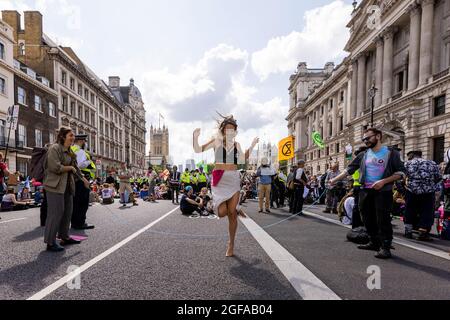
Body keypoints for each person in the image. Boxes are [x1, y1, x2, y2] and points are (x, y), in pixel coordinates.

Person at [330, 128, 406, 259]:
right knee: (366, 217)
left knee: (382, 219)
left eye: (368, 138)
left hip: (383, 191)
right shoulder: (363, 154)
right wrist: (334, 179)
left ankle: (385, 247)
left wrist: (384, 181)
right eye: (364, 139)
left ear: (378, 136)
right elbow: (349, 169)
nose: (365, 141)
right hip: (365, 190)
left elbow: (401, 173)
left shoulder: (391, 153)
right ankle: (373, 242)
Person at [193, 114, 258, 257]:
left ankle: (231, 243)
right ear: (223, 130)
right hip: (219, 181)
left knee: (232, 214)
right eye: (227, 128)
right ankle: (220, 205)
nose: (230, 131)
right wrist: (195, 137)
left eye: (232, 129)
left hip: (233, 179)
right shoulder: (216, 142)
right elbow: (198, 150)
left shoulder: (236, 145)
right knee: (222, 212)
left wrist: (252, 146)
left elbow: (242, 158)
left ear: (235, 131)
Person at [43, 127, 90, 252]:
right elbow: (55, 167)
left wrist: (84, 179)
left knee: (67, 212)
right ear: (63, 136)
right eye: (71, 135)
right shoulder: (55, 148)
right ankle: (50, 242)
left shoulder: (69, 151)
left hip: (67, 186)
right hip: (54, 186)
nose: (73, 138)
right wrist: (70, 168)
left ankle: (64, 236)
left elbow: (76, 168)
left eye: (73, 136)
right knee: (56, 213)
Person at [404, 151, 442, 241]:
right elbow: (438, 177)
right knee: (427, 211)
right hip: (428, 192)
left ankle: (408, 232)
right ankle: (423, 233)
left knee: (409, 210)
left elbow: (401, 177)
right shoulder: (432, 163)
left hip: (411, 191)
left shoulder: (408, 163)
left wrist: (405, 188)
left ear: (411, 156)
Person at [70, 135, 95, 230]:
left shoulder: (71, 149)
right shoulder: (80, 151)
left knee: (76, 201)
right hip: (82, 178)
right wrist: (88, 162)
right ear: (81, 141)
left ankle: (75, 222)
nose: (85, 143)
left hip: (75, 178)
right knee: (82, 201)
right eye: (85, 141)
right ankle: (80, 223)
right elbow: (79, 165)